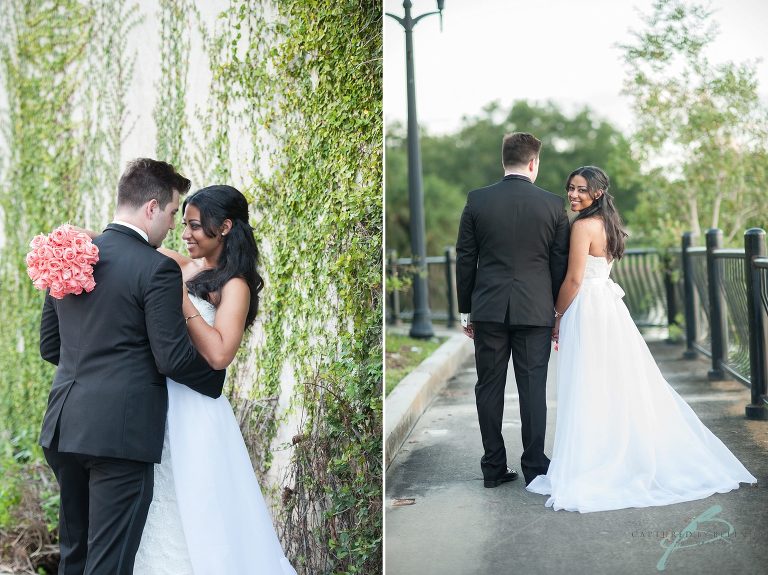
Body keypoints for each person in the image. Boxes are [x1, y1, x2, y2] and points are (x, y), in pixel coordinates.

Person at [526, 166, 757, 512]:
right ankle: (614, 452)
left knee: (588, 383)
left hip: (586, 308)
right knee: (615, 383)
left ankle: (594, 459)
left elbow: (573, 281)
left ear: (598, 194)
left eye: (581, 190)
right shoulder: (610, 225)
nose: (573, 195)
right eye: (570, 188)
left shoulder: (582, 227)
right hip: (608, 308)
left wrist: (556, 317)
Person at [39, 159, 226, 575]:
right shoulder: (155, 267)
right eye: (174, 213)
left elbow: (50, 345)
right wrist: (214, 379)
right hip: (119, 438)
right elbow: (171, 357)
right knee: (109, 564)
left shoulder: (68, 255)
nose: (173, 225)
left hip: (65, 428)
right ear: (152, 207)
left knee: (76, 556)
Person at [132, 185, 296, 574]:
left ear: (224, 227)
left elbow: (220, 353)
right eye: (183, 224)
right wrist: (81, 239)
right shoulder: (182, 267)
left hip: (199, 411)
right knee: (162, 503)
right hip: (163, 403)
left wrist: (183, 301)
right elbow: (131, 246)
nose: (185, 234)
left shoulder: (234, 284)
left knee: (202, 505)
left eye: (194, 226)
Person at [456, 132, 570, 487]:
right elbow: (558, 264)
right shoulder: (553, 205)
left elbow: (465, 259)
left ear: (503, 160)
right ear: (534, 162)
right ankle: (535, 467)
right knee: (533, 389)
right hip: (535, 311)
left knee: (488, 387)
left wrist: (465, 309)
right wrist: (555, 311)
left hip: (488, 309)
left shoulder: (477, 200)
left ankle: (493, 468)